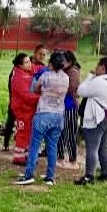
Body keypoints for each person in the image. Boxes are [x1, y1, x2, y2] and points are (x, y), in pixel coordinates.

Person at [14, 52, 69, 186]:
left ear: (51, 64)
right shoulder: (66, 77)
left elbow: (34, 88)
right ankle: (50, 177)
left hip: (44, 113)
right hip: (59, 115)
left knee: (34, 146)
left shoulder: (46, 76)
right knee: (52, 146)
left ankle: (29, 175)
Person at [74, 57, 107, 185]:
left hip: (97, 117)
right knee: (104, 146)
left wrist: (90, 76)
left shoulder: (99, 81)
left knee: (92, 147)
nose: (95, 68)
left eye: (97, 66)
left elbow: (80, 91)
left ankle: (89, 176)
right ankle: (106, 173)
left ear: (103, 68)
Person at [9, 53, 40, 165]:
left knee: (28, 132)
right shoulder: (19, 77)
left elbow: (36, 69)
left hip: (28, 109)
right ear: (20, 65)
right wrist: (40, 98)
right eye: (26, 62)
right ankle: (19, 158)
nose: (30, 64)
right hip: (22, 109)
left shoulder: (24, 72)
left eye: (29, 61)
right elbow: (25, 95)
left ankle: (26, 155)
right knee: (22, 132)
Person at [58, 51, 82, 170]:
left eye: (64, 61)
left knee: (71, 132)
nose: (61, 63)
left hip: (70, 105)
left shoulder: (74, 72)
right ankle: (60, 157)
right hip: (61, 105)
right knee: (60, 132)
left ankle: (73, 159)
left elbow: (70, 88)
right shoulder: (62, 71)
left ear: (70, 62)